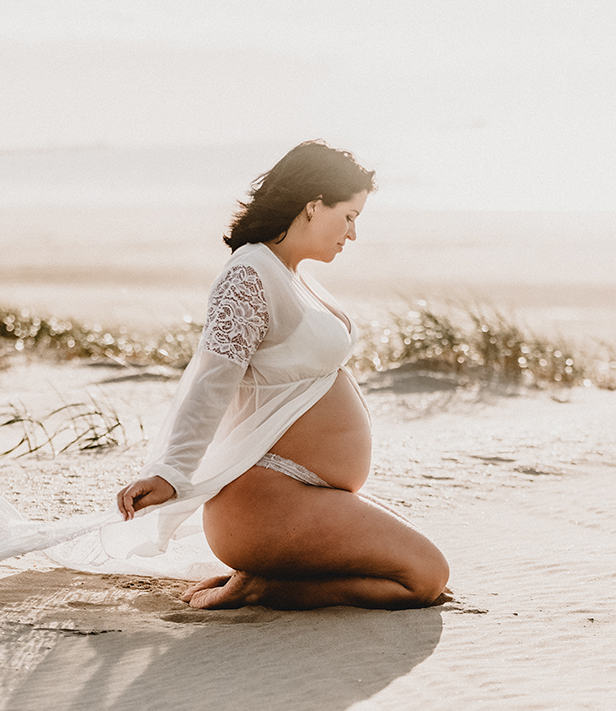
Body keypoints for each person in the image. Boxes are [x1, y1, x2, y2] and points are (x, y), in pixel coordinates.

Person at [115, 141, 449, 610]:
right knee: (426, 576)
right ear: (314, 207)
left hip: (295, 497)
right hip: (265, 501)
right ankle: (264, 585)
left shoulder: (287, 273)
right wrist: (171, 471)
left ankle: (267, 578)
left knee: (418, 570)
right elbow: (214, 379)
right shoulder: (250, 274)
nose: (352, 234)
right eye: (349, 216)